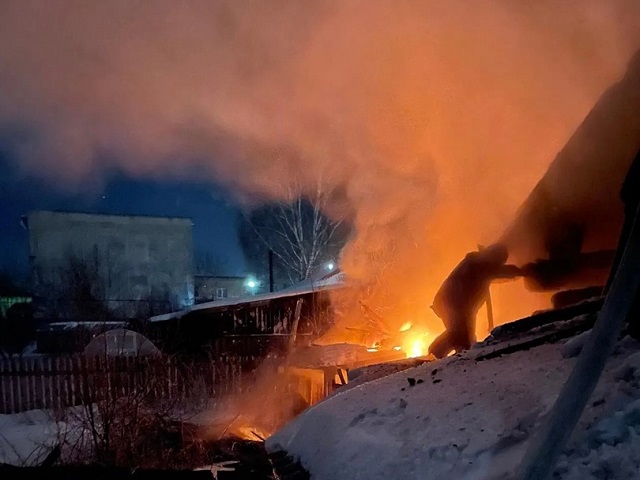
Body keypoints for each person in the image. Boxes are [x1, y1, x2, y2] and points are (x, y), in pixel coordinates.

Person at [428, 243, 521, 358]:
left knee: (462, 335)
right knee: (461, 335)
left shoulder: (479, 263)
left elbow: (496, 273)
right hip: (453, 302)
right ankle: (437, 354)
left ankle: (444, 354)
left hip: (457, 304)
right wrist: (523, 271)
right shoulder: (479, 264)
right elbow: (500, 272)